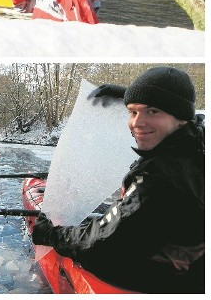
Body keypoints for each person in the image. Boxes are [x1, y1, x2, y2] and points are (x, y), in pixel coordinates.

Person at [32, 66, 204, 293]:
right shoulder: (196, 140)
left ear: (181, 118)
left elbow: (102, 245)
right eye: (133, 112)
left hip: (171, 277)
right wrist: (130, 95)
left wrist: (50, 234)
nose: (137, 123)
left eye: (152, 111)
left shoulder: (159, 178)